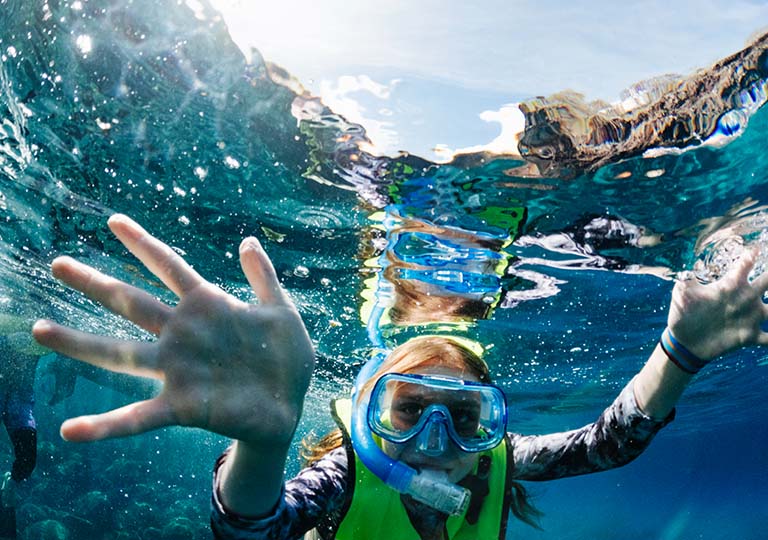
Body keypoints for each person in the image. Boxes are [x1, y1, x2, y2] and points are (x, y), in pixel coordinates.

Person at [31, 215, 768, 539]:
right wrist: (263, 443)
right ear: (368, 413)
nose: (437, 440)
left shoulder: (493, 466)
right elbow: (253, 528)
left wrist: (681, 346)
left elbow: (606, 445)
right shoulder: (347, 479)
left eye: (466, 416)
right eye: (410, 409)